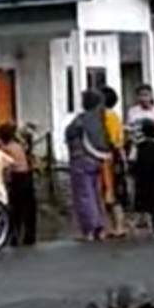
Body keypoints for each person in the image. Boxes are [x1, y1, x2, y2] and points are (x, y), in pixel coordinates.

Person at [64, 88, 111, 242]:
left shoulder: (81, 120)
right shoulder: (100, 119)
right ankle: (101, 226)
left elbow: (69, 133)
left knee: (84, 195)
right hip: (98, 159)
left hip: (81, 158)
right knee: (96, 194)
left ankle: (89, 229)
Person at [0, 123, 37, 246]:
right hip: (27, 176)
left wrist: (6, 181)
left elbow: (7, 167)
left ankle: (15, 236)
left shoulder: (5, 149)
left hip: (16, 178)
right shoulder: (18, 146)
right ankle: (30, 235)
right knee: (29, 207)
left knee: (15, 209)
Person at [101, 87, 128, 238]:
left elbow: (112, 139)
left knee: (114, 191)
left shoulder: (109, 116)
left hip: (111, 155)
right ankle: (112, 226)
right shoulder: (108, 116)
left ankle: (119, 225)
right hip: (109, 155)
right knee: (107, 192)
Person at [132, 117, 154, 237]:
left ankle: (142, 224)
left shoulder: (140, 147)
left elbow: (135, 163)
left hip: (142, 179)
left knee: (142, 201)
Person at [126, 85, 154, 152]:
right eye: (140, 95)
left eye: (146, 95)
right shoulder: (132, 111)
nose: (143, 98)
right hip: (137, 146)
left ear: (151, 96)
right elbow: (129, 129)